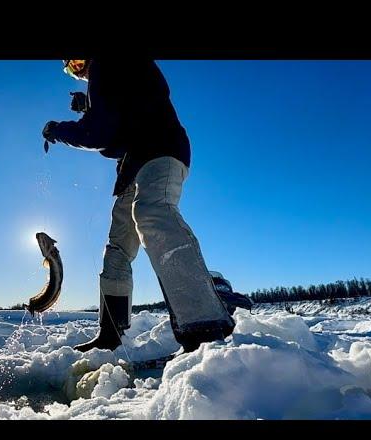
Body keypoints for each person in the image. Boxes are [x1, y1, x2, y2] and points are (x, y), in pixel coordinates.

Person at [42, 59, 251, 353]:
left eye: (78, 61)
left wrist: (58, 130)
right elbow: (120, 121)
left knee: (152, 212)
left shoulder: (108, 63)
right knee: (118, 248)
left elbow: (99, 133)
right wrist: (91, 107)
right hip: (133, 163)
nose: (79, 71)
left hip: (160, 147)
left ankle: (205, 319)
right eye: (71, 68)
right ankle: (110, 334)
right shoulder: (110, 74)